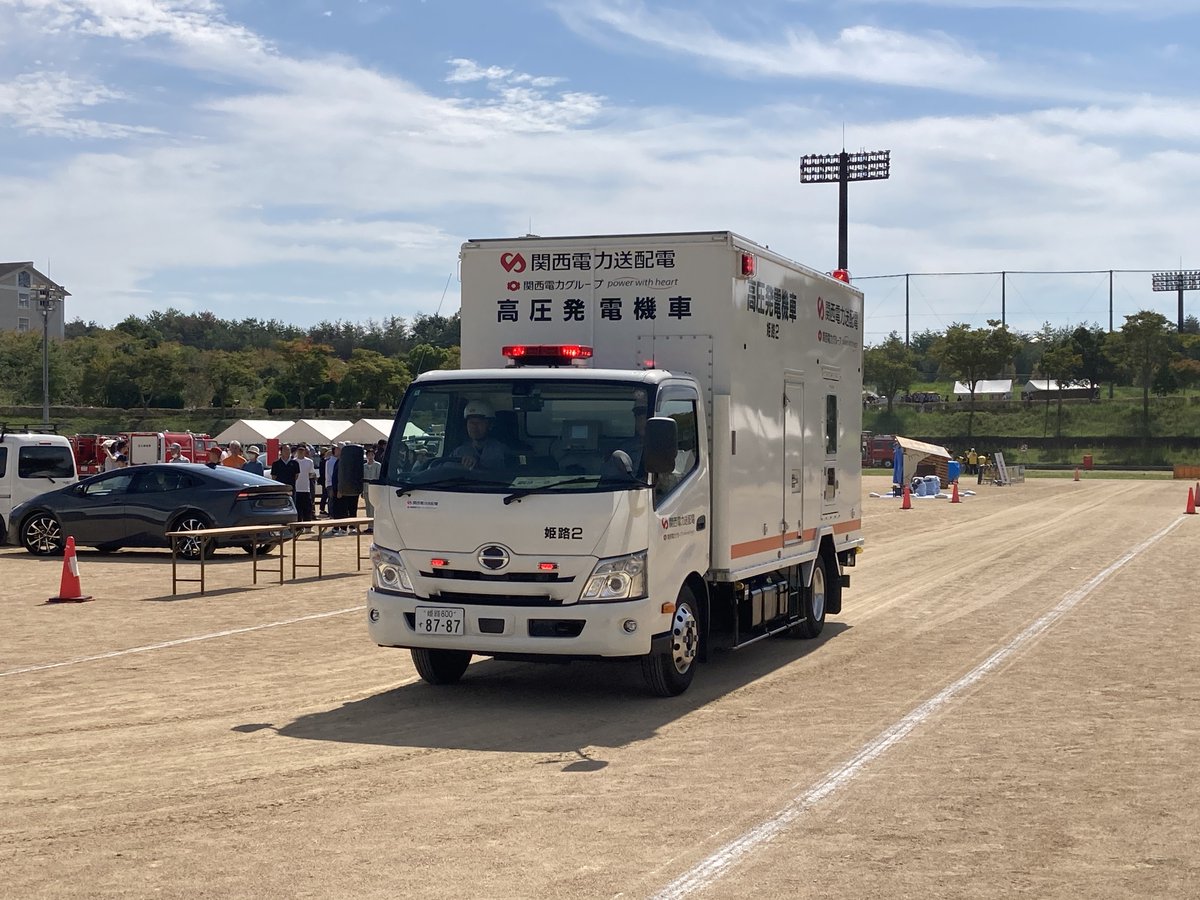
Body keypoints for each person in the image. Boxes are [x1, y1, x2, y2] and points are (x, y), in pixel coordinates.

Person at [448, 400, 508, 470]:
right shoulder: (459, 452)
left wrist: (478, 466)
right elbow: (446, 470)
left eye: (479, 423)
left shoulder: (501, 450)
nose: (474, 427)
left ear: (490, 425)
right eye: (471, 423)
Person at [293, 444, 316, 525]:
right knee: (298, 508)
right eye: (299, 450)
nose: (301, 451)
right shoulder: (294, 461)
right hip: (296, 488)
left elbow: (312, 474)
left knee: (307, 508)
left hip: (306, 488)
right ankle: (298, 526)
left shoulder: (309, 462)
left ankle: (307, 526)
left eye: (303, 450)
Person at [362, 446, 381, 532]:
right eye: (369, 455)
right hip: (366, 488)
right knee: (367, 507)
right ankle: (369, 526)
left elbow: (378, 477)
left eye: (372, 455)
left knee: (373, 507)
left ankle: (374, 525)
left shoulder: (377, 465)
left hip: (374, 488)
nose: (370, 457)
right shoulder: (364, 466)